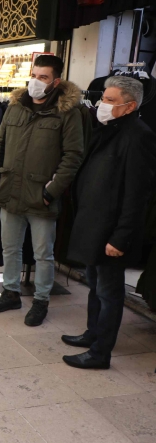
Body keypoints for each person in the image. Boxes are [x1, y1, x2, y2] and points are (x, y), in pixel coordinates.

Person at [62, 77, 156, 370]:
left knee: (109, 292)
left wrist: (120, 237)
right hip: (93, 225)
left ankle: (100, 353)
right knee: (94, 285)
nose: (103, 104)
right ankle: (92, 334)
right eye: (104, 97)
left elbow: (138, 194)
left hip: (112, 232)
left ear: (130, 106)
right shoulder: (108, 129)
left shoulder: (138, 136)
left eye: (111, 100)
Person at [0, 55, 84, 326]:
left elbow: (73, 156)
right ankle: (11, 293)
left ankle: (41, 301)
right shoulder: (15, 106)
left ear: (56, 81)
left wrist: (51, 192)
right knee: (10, 248)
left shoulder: (68, 112)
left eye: (43, 77)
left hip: (41, 196)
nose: (36, 81)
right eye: (34, 75)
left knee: (43, 254)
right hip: (10, 192)